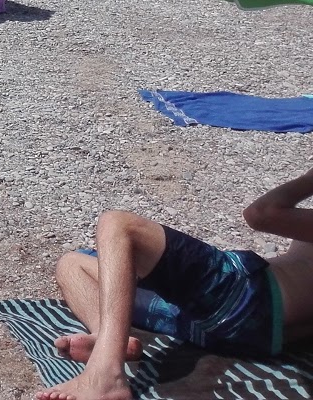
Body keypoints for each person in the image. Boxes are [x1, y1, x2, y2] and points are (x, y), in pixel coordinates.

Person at [35, 168, 313, 400]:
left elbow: (261, 213)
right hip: (240, 335)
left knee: (119, 226)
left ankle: (106, 375)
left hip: (246, 297)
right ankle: (110, 341)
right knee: (73, 264)